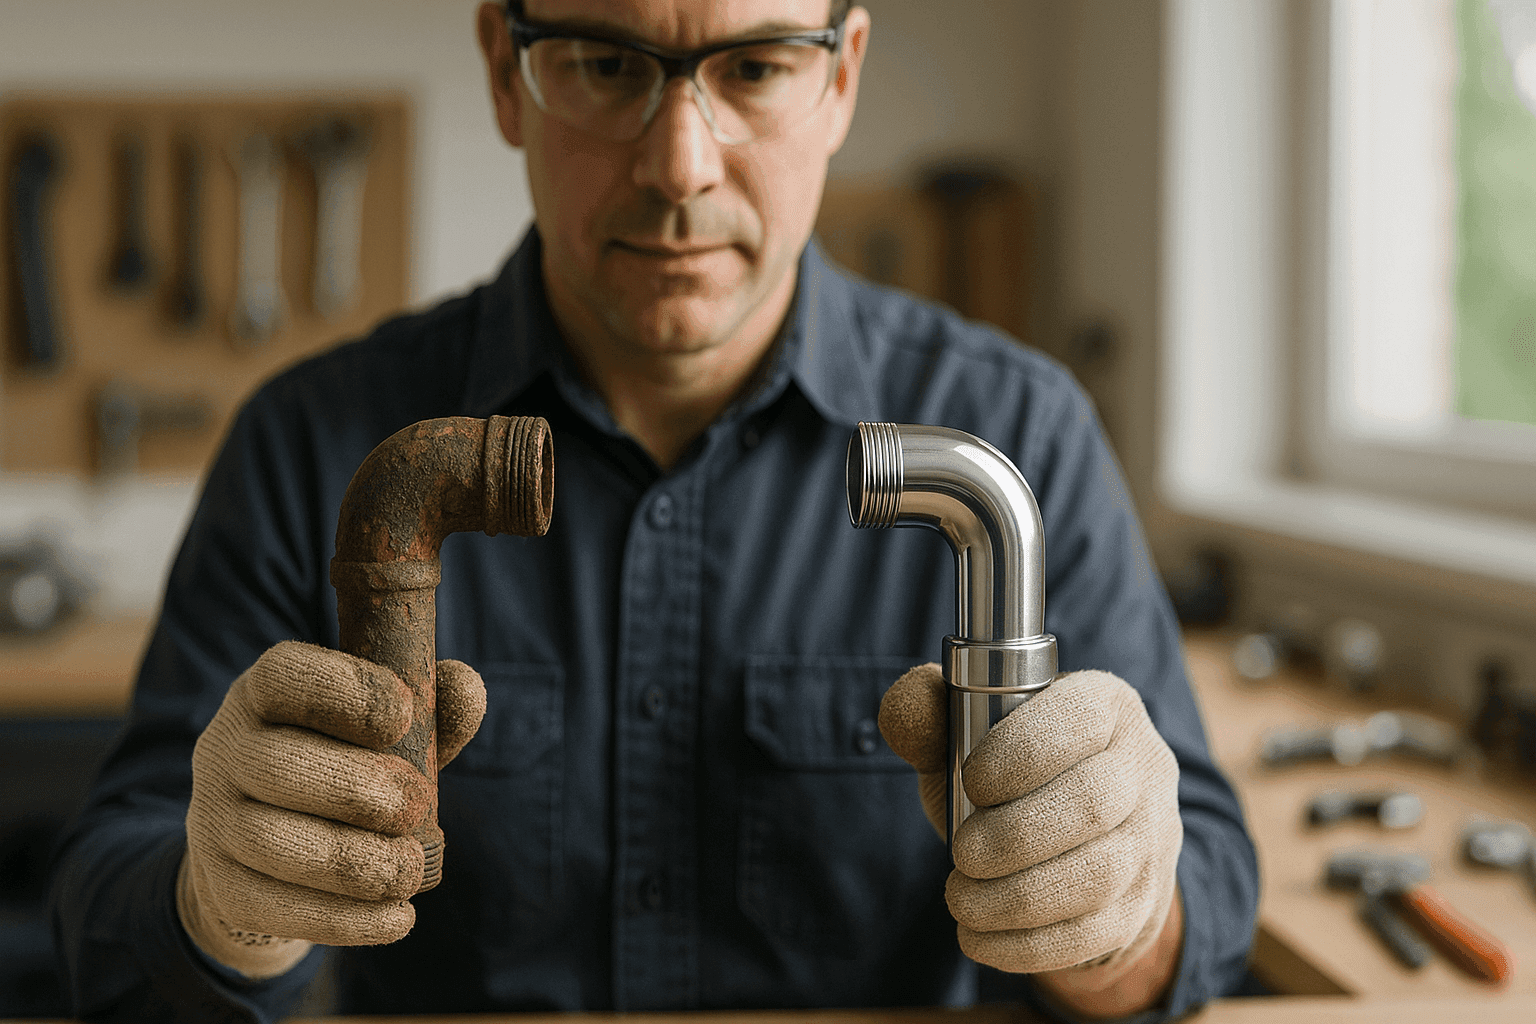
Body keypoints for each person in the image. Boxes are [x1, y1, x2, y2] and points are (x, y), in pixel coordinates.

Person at [52, 1, 1259, 1021]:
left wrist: (1119, 912)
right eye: (606, 64)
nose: (680, 164)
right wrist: (220, 898)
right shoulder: (309, 442)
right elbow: (103, 912)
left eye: (756, 67)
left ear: (840, 80)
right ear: (505, 74)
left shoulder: (1023, 436)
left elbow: (1204, 896)